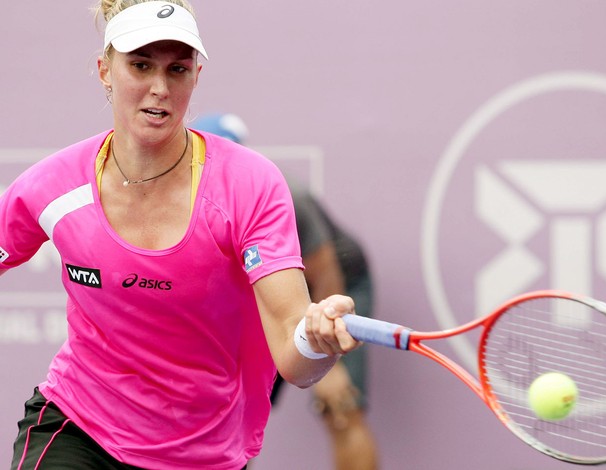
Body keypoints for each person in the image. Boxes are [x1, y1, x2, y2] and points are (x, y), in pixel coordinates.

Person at [0, 2, 361, 469]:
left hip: (201, 450)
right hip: (80, 425)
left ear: (196, 75)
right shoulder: (51, 187)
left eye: (177, 69)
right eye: (140, 65)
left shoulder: (250, 186)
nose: (159, 88)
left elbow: (295, 362)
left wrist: (317, 341)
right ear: (104, 70)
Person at [193, 113, 379, 470]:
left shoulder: (279, 193)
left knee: (339, 407)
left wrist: (331, 362)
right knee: (229, 410)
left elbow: (324, 274)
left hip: (334, 284)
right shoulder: (185, 200)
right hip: (265, 290)